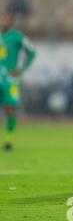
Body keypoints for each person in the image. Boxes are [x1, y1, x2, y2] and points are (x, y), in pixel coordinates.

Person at [0, 12, 36, 151]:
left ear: (12, 21)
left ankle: (8, 140)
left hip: (10, 78)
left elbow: (32, 52)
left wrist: (21, 69)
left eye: (6, 18)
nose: (3, 20)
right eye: (2, 17)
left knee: (10, 109)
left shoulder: (17, 37)